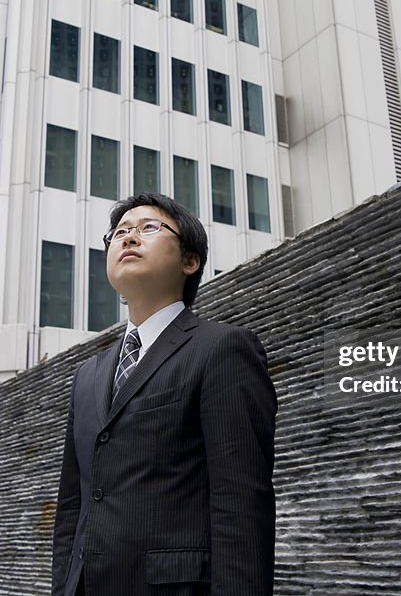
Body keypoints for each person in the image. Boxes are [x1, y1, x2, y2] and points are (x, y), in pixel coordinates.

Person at [51, 193, 277, 596]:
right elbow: (73, 505)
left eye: (148, 228)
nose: (129, 237)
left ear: (190, 261)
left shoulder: (221, 349)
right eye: (120, 232)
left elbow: (241, 504)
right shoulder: (88, 374)